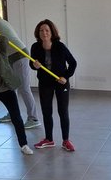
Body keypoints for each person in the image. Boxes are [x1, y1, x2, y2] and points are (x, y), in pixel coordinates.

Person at [30, 19, 77, 152]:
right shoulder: (35, 47)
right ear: (38, 33)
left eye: (47, 30)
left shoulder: (60, 46)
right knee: (46, 111)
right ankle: (49, 139)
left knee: (63, 111)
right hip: (45, 83)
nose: (44, 33)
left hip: (61, 82)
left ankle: (66, 140)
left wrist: (65, 77)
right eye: (41, 30)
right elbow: (31, 64)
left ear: (52, 32)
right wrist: (34, 65)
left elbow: (73, 63)